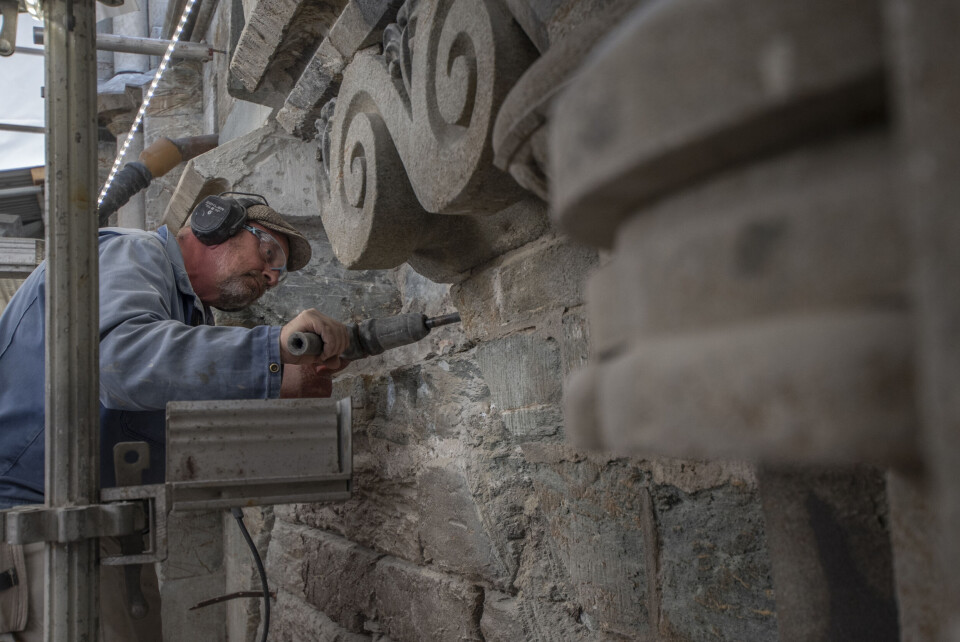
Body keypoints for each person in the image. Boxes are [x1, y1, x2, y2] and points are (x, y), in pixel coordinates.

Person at [0, 193, 349, 640]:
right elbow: (121, 363)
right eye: (268, 253)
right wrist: (273, 350)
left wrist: (278, 385)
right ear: (212, 224)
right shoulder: (133, 251)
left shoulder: (182, 315)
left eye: (277, 273)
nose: (270, 275)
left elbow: (146, 414)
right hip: (31, 524)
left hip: (82, 521)